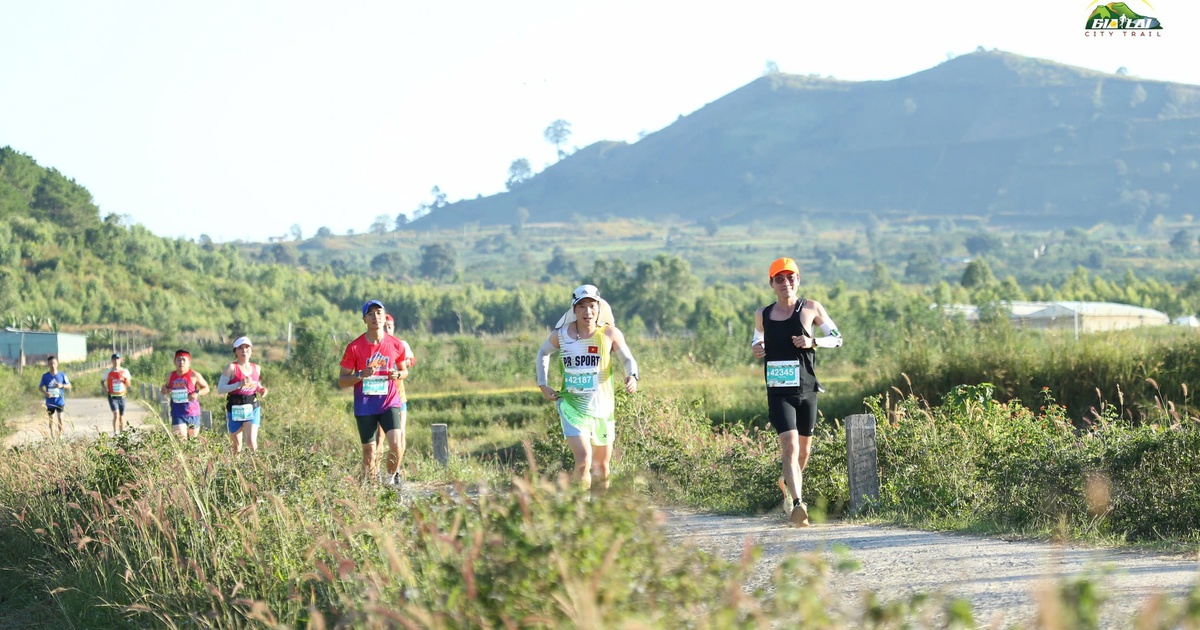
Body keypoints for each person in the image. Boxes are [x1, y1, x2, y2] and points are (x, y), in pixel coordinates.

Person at [751, 257, 843, 527]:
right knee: (789, 448)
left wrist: (812, 341)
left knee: (803, 453)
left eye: (790, 277)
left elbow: (838, 339)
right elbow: (757, 338)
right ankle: (798, 505)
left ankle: (786, 483)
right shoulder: (763, 314)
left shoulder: (811, 308)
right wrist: (757, 347)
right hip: (779, 392)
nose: (785, 283)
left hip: (807, 390)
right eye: (779, 278)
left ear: (798, 280)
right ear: (771, 283)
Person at [535, 284, 639, 494]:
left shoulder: (609, 333)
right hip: (572, 406)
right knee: (583, 460)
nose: (587, 312)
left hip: (602, 408)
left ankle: (599, 515)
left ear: (599, 309)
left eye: (592, 306)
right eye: (581, 306)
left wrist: (632, 376)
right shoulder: (562, 334)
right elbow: (542, 353)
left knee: (601, 467)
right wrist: (542, 384)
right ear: (574, 309)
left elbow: (627, 359)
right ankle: (580, 511)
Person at [338, 300, 409, 485]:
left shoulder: (396, 344)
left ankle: (388, 480)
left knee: (396, 444)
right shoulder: (354, 347)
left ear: (384, 317)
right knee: (369, 451)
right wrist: (360, 375)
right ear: (364, 319)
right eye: (370, 314)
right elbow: (342, 380)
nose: (375, 317)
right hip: (365, 406)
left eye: (379, 312)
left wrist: (398, 374)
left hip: (389, 401)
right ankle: (372, 489)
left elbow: (404, 371)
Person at [374, 314, 417, 475]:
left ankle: (395, 469)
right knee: (379, 437)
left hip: (398, 396)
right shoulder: (375, 344)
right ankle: (376, 471)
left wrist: (406, 363)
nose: (387, 329)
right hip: (379, 396)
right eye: (385, 326)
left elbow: (411, 359)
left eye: (390, 326)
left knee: (401, 435)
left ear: (394, 327)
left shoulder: (401, 344)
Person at [217, 337, 268, 453]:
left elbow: (255, 383)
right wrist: (238, 384)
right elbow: (220, 389)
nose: (244, 351)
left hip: (251, 407)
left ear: (251, 350)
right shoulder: (231, 368)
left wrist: (261, 389)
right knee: (237, 447)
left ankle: (255, 469)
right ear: (235, 351)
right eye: (240, 348)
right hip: (235, 408)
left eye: (247, 348)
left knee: (251, 443)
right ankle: (236, 469)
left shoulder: (256, 368)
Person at [161, 349, 210, 439]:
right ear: (174, 362)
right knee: (181, 439)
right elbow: (165, 389)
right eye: (178, 360)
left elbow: (206, 388)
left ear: (189, 362)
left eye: (184, 360)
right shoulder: (170, 376)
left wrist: (197, 393)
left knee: (193, 440)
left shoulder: (194, 375)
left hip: (192, 412)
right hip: (177, 412)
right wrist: (164, 390)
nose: (181, 362)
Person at [39, 356, 72, 439]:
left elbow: (69, 385)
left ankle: (60, 436)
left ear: (57, 364)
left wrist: (62, 385)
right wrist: (45, 393)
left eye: (54, 363)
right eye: (50, 364)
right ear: (48, 365)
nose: (52, 365)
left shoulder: (62, 375)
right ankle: (53, 435)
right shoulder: (45, 376)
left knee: (60, 418)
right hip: (50, 402)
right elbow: (40, 387)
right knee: (51, 420)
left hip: (60, 401)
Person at [102, 353, 132, 433]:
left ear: (120, 361)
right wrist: (105, 388)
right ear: (112, 361)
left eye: (117, 359)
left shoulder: (125, 371)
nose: (116, 361)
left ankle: (122, 434)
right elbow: (102, 381)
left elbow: (129, 385)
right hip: (112, 396)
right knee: (116, 414)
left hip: (122, 396)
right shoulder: (108, 372)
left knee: (121, 416)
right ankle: (116, 433)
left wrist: (125, 379)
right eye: (114, 359)